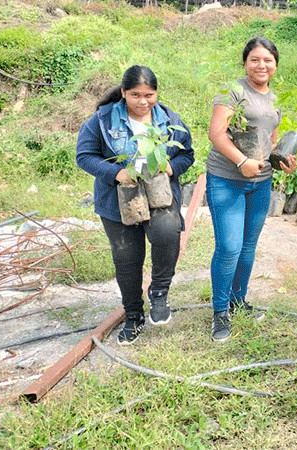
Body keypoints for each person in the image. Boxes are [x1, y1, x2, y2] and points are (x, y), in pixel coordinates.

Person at [76, 65, 195, 345]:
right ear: (123, 93)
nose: (143, 102)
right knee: (127, 260)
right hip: (118, 201)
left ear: (156, 93)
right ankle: (133, 316)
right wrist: (116, 173)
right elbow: (84, 156)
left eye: (149, 95)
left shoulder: (169, 120)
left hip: (160, 196)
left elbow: (187, 154)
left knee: (168, 235)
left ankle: (159, 293)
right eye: (135, 95)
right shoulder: (102, 120)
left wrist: (171, 167)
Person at [207, 36, 297, 342]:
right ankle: (220, 311)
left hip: (260, 182)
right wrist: (242, 160)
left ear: (276, 64)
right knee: (229, 247)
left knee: (247, 247)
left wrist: (282, 159)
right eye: (255, 60)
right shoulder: (232, 91)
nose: (261, 65)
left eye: (268, 60)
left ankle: (238, 300)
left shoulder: (276, 99)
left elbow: (270, 139)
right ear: (245, 62)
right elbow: (217, 134)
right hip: (226, 179)